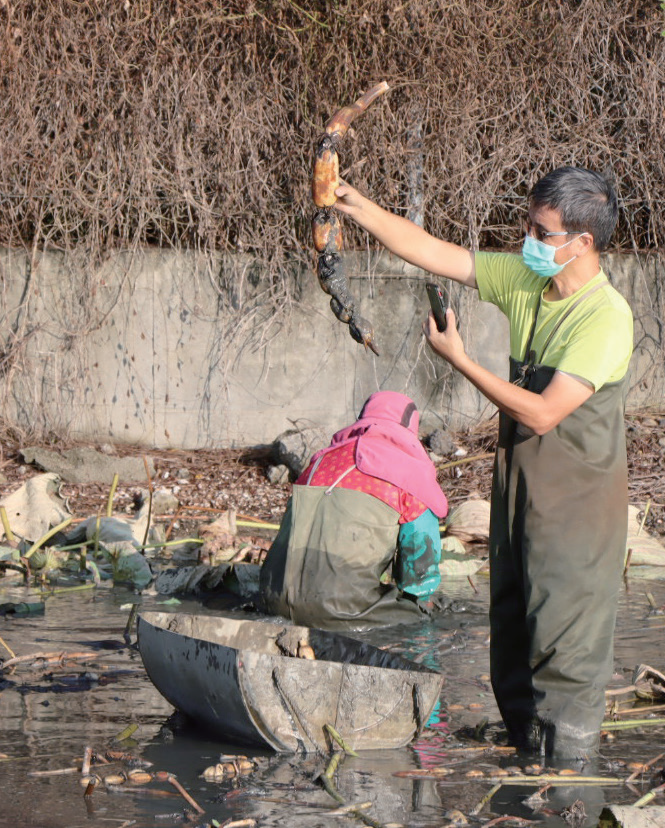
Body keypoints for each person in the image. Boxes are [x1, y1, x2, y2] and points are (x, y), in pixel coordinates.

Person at [334, 167, 634, 759]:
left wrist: (461, 361)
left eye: (541, 231)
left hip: (576, 514)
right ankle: (525, 763)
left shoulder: (605, 318)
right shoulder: (526, 278)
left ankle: (567, 781)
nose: (528, 238)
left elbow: (545, 413)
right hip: (518, 497)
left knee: (564, 648)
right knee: (512, 636)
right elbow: (432, 252)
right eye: (529, 223)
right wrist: (353, 204)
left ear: (583, 242)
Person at [259, 391, 448, 630]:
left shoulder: (320, 461)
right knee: (428, 612)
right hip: (344, 612)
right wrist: (419, 601)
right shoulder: (408, 471)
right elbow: (419, 569)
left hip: (271, 599)